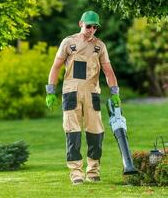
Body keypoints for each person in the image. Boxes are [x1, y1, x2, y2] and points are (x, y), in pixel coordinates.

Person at [45, 11, 121, 185]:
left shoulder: (99, 46)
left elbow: (108, 71)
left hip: (92, 93)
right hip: (71, 92)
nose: (92, 30)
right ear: (81, 24)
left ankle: (93, 171)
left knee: (96, 133)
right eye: (89, 26)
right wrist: (50, 91)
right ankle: (76, 173)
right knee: (73, 133)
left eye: (95, 27)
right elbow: (56, 67)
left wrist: (115, 92)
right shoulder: (68, 43)